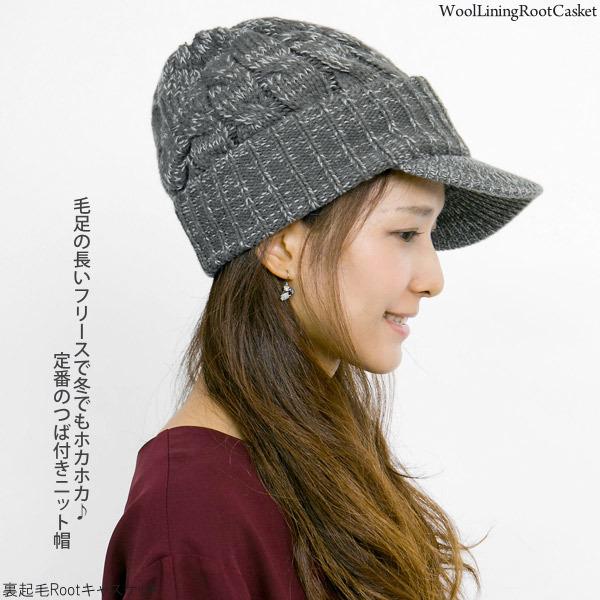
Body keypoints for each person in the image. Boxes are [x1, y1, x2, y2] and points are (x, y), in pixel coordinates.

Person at [101, 16, 543, 600]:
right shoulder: (195, 515)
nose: (433, 279)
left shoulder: (306, 455)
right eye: (405, 233)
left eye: (430, 234)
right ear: (284, 247)